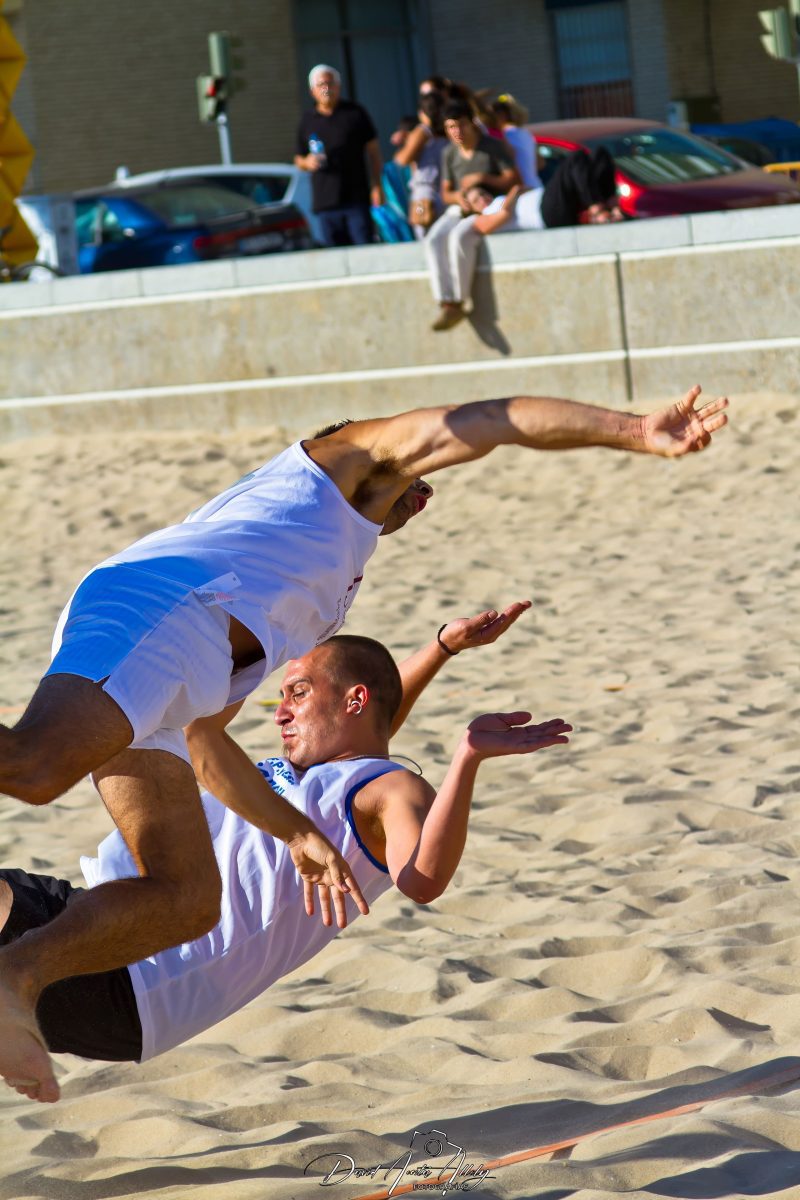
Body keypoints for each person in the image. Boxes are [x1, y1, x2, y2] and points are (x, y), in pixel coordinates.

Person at [0, 383, 728, 1101]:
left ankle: (16, 979)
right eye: (419, 475)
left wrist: (434, 656)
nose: (424, 491)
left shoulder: (327, 573)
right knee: (34, 768)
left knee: (188, 898)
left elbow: (246, 741)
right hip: (167, 611)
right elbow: (490, 419)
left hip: (184, 675)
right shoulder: (341, 465)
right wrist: (632, 431)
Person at [1, 605, 569, 1080]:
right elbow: (369, 722)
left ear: (350, 700)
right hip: (104, 915)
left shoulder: (389, 790)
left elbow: (421, 879)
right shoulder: (333, 768)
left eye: (297, 692)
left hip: (135, 977)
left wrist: (465, 759)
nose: (281, 711)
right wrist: (440, 649)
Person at [424, 97, 519, 331]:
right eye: (450, 127)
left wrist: (483, 179)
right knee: (434, 239)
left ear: (472, 123)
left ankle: (459, 297)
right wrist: (459, 197)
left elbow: (513, 179)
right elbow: (445, 193)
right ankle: (446, 302)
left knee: (460, 238)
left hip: (488, 208)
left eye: (461, 125)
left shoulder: (492, 147)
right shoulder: (449, 153)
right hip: (461, 208)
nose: (457, 132)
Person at [294, 64, 383, 248]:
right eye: (321, 85)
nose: (326, 88)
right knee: (335, 254)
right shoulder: (307, 120)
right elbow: (298, 159)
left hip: (355, 198)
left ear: (338, 86)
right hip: (325, 201)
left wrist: (377, 186)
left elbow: (373, 152)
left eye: (329, 83)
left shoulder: (354, 113)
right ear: (312, 91)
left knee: (364, 247)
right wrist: (307, 162)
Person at [393, 91, 448, 237]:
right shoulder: (448, 130)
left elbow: (402, 160)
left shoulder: (423, 131)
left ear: (423, 111)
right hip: (446, 191)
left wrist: (405, 143)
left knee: (424, 237)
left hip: (424, 194)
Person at [491, 94, 542, 189]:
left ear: (501, 115)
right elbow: (540, 163)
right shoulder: (525, 133)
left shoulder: (506, 136)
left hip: (523, 191)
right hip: (536, 185)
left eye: (491, 116)